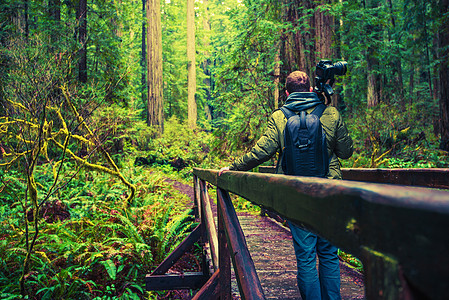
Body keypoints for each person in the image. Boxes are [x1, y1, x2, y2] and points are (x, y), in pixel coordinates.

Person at [219, 70, 353, 300]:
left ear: (287, 93)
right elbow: (346, 152)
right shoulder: (330, 114)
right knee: (329, 255)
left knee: (306, 256)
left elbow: (262, 151)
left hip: (296, 195)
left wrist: (234, 167)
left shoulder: (280, 117)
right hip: (329, 193)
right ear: (312, 90)